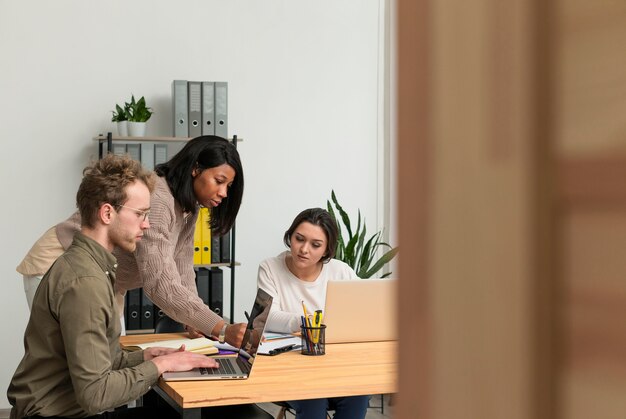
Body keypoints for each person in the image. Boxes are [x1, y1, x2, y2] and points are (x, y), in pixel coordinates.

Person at [7, 154, 218, 419]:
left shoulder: (94, 267)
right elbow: (96, 393)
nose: (147, 224)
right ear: (107, 213)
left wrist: (146, 357)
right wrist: (163, 365)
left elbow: (100, 363)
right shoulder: (85, 283)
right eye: (140, 214)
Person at [15, 135, 247, 347]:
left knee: (113, 359)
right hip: (59, 265)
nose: (224, 193)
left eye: (229, 186)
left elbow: (182, 270)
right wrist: (222, 328)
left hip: (107, 282)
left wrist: (195, 319)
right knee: (74, 361)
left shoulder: (188, 209)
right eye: (219, 181)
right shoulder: (159, 200)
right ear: (196, 169)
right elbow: (159, 282)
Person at [257, 208, 370, 419]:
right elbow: (267, 317)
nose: (304, 249)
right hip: (292, 372)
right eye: (299, 239)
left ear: (327, 250)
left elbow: (364, 310)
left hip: (335, 370)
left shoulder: (341, 271)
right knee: (313, 397)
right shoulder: (270, 268)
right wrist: (307, 322)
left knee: (358, 394)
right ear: (289, 237)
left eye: (315, 245)